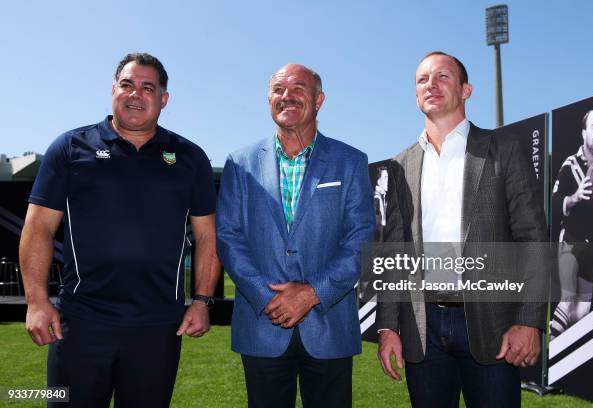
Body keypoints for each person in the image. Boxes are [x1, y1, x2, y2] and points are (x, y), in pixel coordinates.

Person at [19, 52, 220, 408]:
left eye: (147, 87)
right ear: (113, 89)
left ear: (163, 99)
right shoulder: (70, 147)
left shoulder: (190, 157)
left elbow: (207, 236)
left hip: (158, 327)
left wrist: (202, 301)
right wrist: (36, 301)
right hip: (79, 322)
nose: (135, 94)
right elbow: (38, 228)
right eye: (127, 84)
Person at [375, 51, 548, 407]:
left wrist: (529, 320)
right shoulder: (399, 164)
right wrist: (388, 326)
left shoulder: (504, 149)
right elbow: (394, 252)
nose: (431, 85)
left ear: (466, 90)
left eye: (442, 77)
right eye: (422, 80)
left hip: (492, 326)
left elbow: (532, 239)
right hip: (424, 332)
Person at [216, 63, 374, 408]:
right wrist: (266, 296)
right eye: (278, 90)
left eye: (298, 88)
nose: (286, 96)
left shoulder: (350, 161)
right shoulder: (240, 163)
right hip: (262, 324)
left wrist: (313, 293)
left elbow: (360, 239)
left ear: (319, 99)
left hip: (329, 326)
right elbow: (228, 238)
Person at [550, 108, 593, 338]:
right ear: (583, 133)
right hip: (571, 241)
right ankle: (551, 354)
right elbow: (554, 205)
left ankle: (564, 365)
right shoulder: (570, 165)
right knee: (567, 299)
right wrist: (575, 197)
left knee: (581, 314)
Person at [374, 166, 389, 243]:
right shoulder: (376, 198)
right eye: (385, 177)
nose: (388, 181)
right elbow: (378, 224)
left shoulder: (384, 197)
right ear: (379, 181)